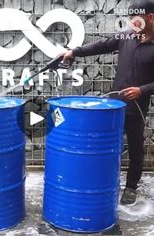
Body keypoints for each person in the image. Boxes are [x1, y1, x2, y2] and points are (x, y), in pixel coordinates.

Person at [62, 0, 154, 205]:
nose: (131, 22)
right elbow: (101, 45)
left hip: (137, 109)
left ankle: (131, 187)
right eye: (130, 18)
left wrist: (142, 90)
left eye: (136, 18)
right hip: (114, 107)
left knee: (136, 148)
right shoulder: (126, 36)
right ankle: (101, 181)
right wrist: (75, 51)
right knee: (104, 146)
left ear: (151, 17)